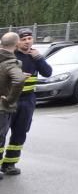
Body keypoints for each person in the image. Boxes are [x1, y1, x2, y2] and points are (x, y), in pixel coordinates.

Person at [1, 29, 51, 177]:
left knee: (20, 133)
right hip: (9, 100)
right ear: (17, 42)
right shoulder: (10, 57)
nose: (27, 41)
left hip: (27, 100)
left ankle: (9, 164)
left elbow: (48, 72)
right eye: (24, 39)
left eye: (30, 38)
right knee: (1, 134)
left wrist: (39, 58)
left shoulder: (35, 57)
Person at [0, 32, 27, 181]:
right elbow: (19, 80)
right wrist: (10, 100)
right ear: (17, 45)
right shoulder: (11, 62)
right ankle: (6, 166)